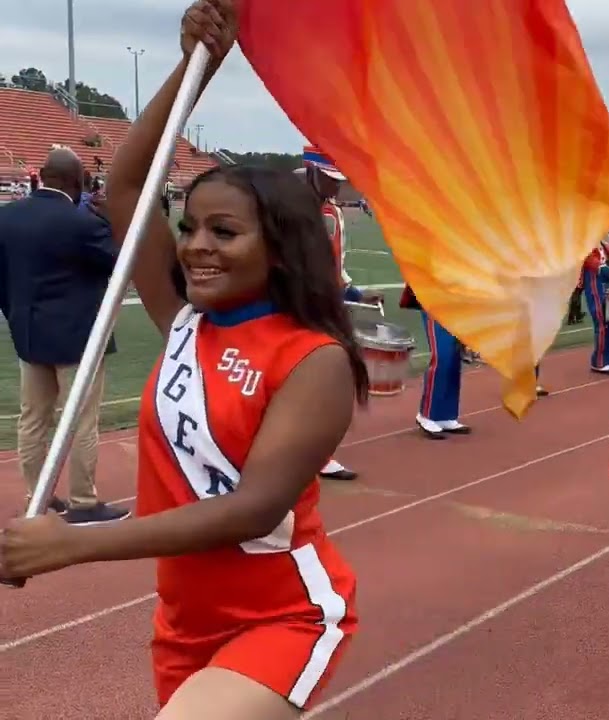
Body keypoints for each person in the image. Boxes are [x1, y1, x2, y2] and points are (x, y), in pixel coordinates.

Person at [1, 3, 361, 717]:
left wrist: (73, 543)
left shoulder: (313, 360)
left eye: (224, 232)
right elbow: (129, 190)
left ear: (281, 246)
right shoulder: (185, 323)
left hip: (282, 613)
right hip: (185, 622)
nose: (197, 245)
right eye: (191, 227)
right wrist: (197, 67)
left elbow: (252, 510)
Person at [0, 146, 129, 525]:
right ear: (77, 183)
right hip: (78, 340)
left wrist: (17, 316)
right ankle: (83, 502)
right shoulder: (82, 223)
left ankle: (36, 496)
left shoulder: (6, 218)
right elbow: (121, 261)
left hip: (28, 334)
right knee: (81, 422)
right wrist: (109, 217)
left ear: (40, 176)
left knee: (33, 420)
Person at [299, 146, 381, 481]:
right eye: (330, 180)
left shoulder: (334, 214)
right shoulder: (289, 209)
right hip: (296, 307)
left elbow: (336, 267)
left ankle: (317, 452)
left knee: (328, 383)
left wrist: (356, 293)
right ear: (311, 171)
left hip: (324, 309)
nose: (336, 188)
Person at [398, 284, 472, 439]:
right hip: (435, 297)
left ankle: (445, 415)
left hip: (457, 298)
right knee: (442, 354)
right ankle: (427, 414)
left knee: (453, 356)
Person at [582, 231, 609, 374]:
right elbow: (596, 266)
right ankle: (599, 361)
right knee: (602, 323)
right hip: (596, 288)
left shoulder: (605, 246)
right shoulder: (585, 246)